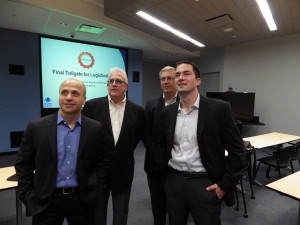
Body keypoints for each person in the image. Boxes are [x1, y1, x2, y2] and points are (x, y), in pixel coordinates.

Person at [156, 60, 245, 225]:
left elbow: (238, 151)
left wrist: (224, 185)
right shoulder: (167, 112)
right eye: (177, 75)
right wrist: (166, 179)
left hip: (204, 183)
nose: (180, 78)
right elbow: (161, 146)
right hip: (174, 182)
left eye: (186, 73)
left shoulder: (219, 109)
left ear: (198, 81)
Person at [15, 78, 110, 225]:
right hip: (46, 200)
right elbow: (23, 164)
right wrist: (28, 195)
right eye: (64, 92)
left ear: (84, 100)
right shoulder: (36, 127)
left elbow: (103, 162)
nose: (69, 97)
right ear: (59, 96)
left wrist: (98, 191)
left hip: (82, 200)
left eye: (75, 93)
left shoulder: (95, 128)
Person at [82, 67, 145, 225]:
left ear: (126, 86)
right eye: (111, 81)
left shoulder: (137, 111)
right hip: (97, 170)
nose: (114, 84)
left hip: (123, 169)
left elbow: (136, 137)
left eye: (119, 81)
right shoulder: (91, 107)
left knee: (121, 216)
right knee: (97, 215)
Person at [144, 66, 178, 225]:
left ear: (176, 79)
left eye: (169, 78)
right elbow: (147, 134)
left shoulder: (184, 101)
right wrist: (159, 159)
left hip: (177, 166)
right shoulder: (151, 104)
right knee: (157, 206)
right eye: (162, 79)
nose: (165, 82)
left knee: (175, 208)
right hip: (154, 165)